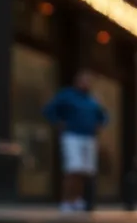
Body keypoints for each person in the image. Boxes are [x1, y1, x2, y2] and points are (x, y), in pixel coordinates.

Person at [43, 70, 108, 212]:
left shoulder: (92, 99)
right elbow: (50, 110)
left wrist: (100, 123)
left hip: (89, 138)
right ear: (77, 81)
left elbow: (103, 116)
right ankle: (67, 200)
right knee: (73, 169)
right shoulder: (67, 95)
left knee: (85, 171)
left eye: (89, 81)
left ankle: (78, 199)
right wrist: (58, 123)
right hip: (72, 136)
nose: (86, 84)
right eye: (84, 80)